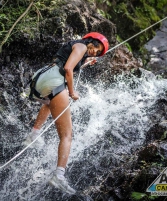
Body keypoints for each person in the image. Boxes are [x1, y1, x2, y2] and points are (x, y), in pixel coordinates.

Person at [24, 32, 109, 194]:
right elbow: (68, 69)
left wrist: (85, 63)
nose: (95, 52)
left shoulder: (76, 46)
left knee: (50, 103)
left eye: (98, 53)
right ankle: (59, 176)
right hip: (54, 81)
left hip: (41, 78)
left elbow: (67, 64)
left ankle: (34, 134)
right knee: (67, 135)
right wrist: (72, 92)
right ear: (92, 40)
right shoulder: (82, 46)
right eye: (97, 47)